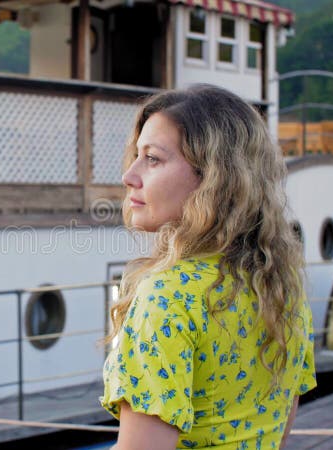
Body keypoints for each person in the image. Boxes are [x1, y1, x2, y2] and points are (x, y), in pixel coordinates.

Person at [101, 84, 316, 449]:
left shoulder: (167, 297)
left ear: (214, 178)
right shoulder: (280, 284)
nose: (129, 175)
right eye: (137, 156)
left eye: (153, 159)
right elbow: (278, 430)